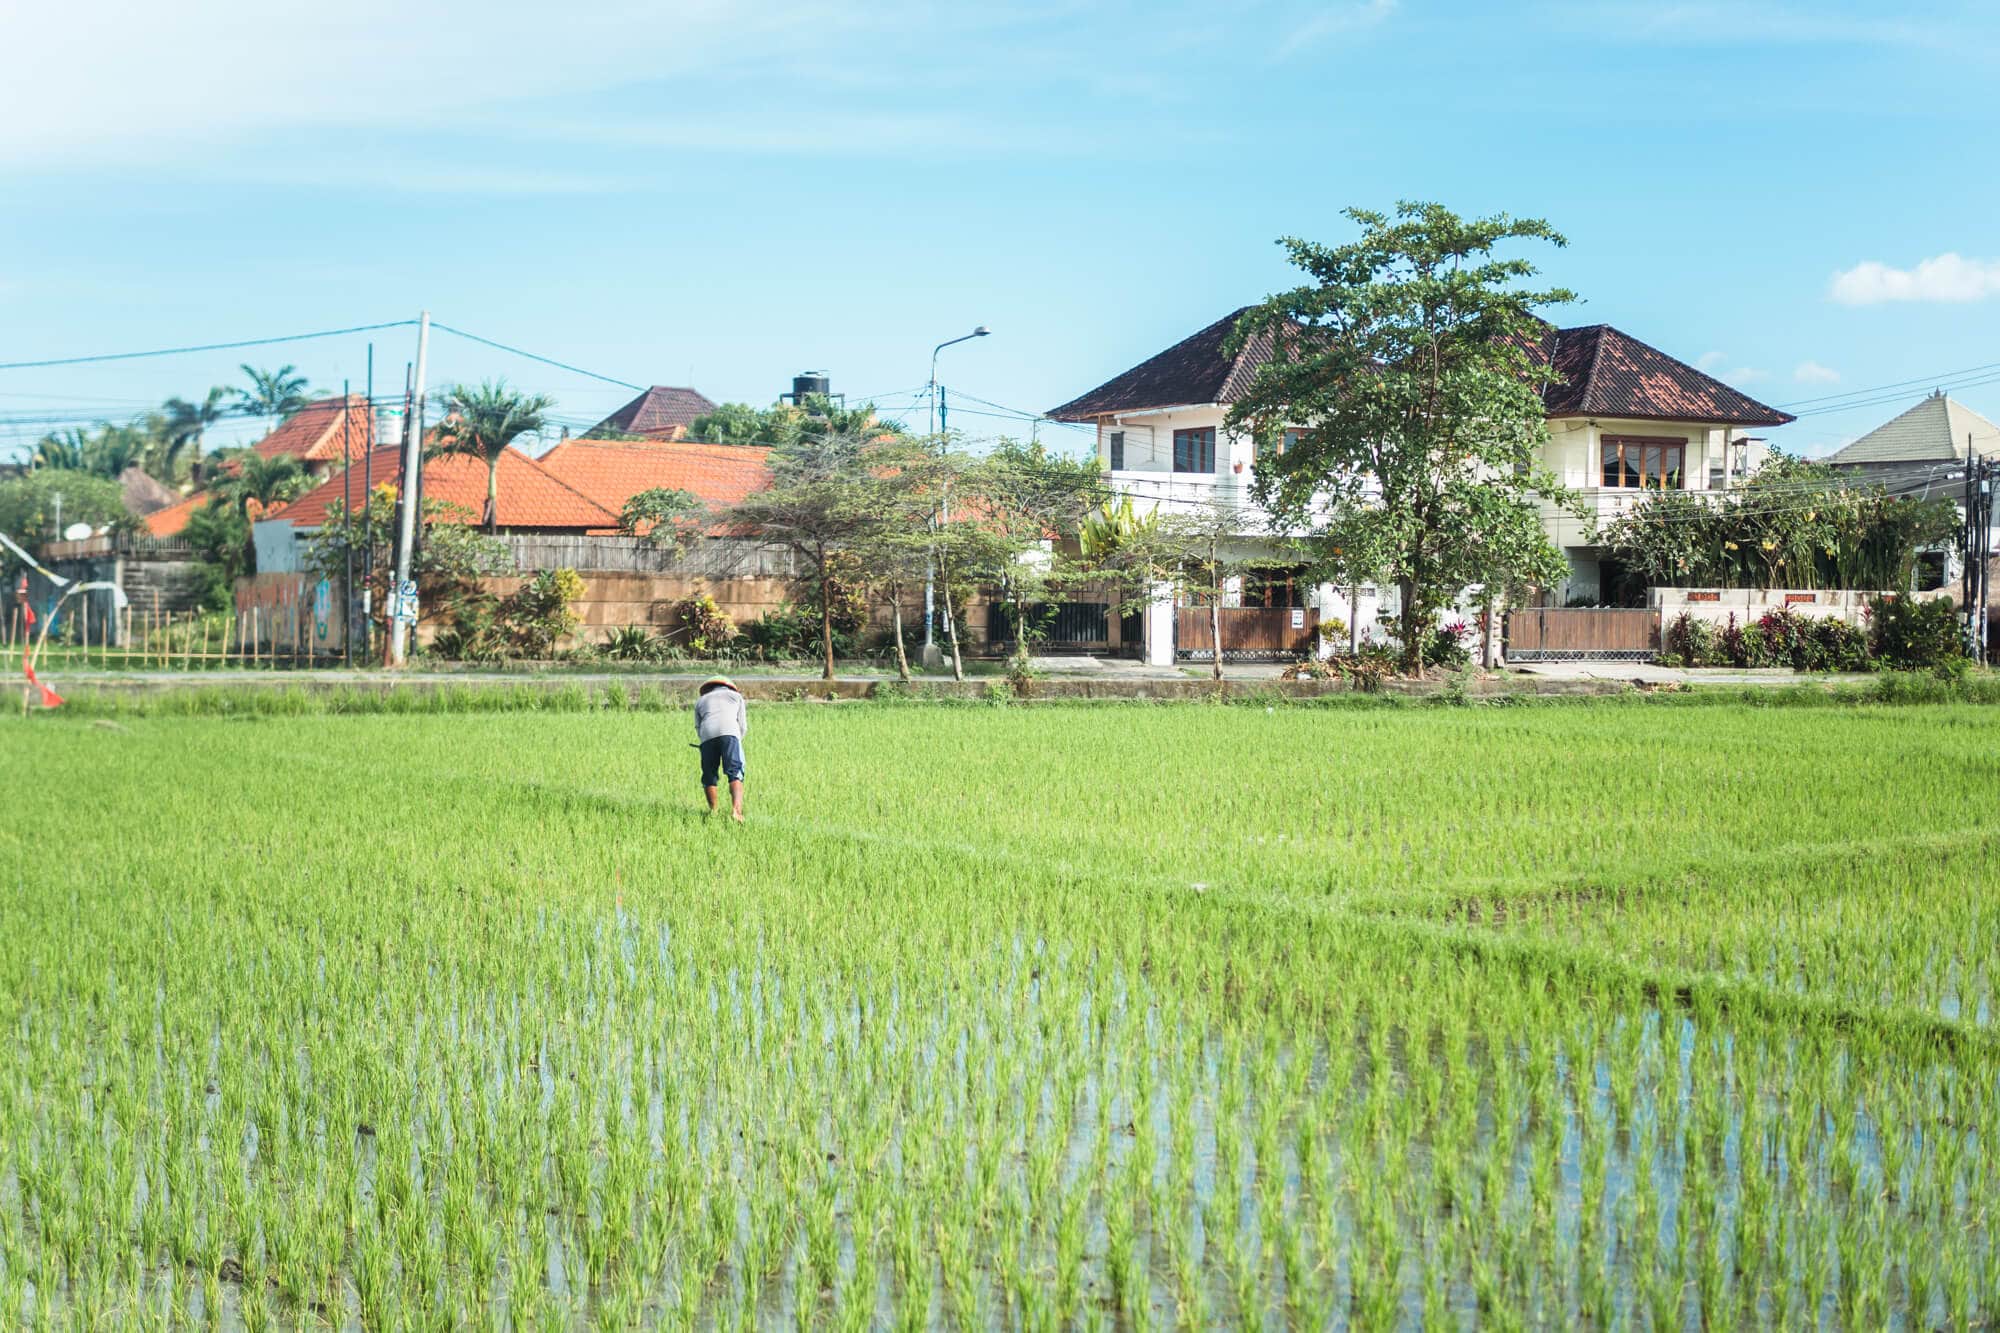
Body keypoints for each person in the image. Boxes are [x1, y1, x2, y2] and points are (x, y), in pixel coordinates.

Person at [693, 675, 748, 822]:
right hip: (730, 733)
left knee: (709, 775)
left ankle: (713, 811)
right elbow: (742, 726)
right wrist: (735, 740)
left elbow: (698, 727)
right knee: (735, 772)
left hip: (707, 735)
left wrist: (706, 740)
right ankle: (736, 811)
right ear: (729, 687)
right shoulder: (736, 697)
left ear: (709, 688)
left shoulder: (701, 701)